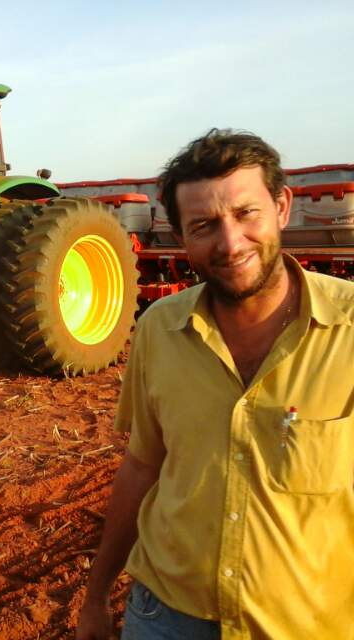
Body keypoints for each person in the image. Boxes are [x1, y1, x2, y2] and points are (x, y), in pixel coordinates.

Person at [76, 128, 354, 640]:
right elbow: (142, 465)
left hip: (308, 623)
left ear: (282, 207)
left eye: (246, 214)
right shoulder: (159, 328)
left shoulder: (349, 331)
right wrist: (96, 596)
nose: (230, 243)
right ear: (180, 236)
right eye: (204, 225)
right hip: (166, 616)